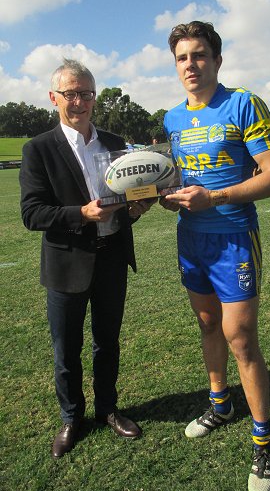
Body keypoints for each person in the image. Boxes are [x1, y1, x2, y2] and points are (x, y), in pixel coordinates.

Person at [160, 21, 270, 491]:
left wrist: (214, 199)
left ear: (217, 59)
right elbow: (180, 177)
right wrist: (163, 194)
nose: (190, 65)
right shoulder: (172, 119)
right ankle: (220, 403)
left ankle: (263, 442)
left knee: (241, 338)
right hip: (190, 239)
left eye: (198, 55)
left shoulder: (243, 103)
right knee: (209, 325)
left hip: (233, 237)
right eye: (181, 58)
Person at [19, 58, 154, 459]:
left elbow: (131, 194)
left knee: (107, 343)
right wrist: (81, 213)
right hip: (67, 264)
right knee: (66, 349)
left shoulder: (116, 143)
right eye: (70, 94)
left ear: (95, 97)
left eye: (86, 94)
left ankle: (108, 409)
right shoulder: (38, 149)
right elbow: (32, 213)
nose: (79, 101)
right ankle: (71, 416)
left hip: (112, 258)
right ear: (53, 97)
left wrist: (137, 207)